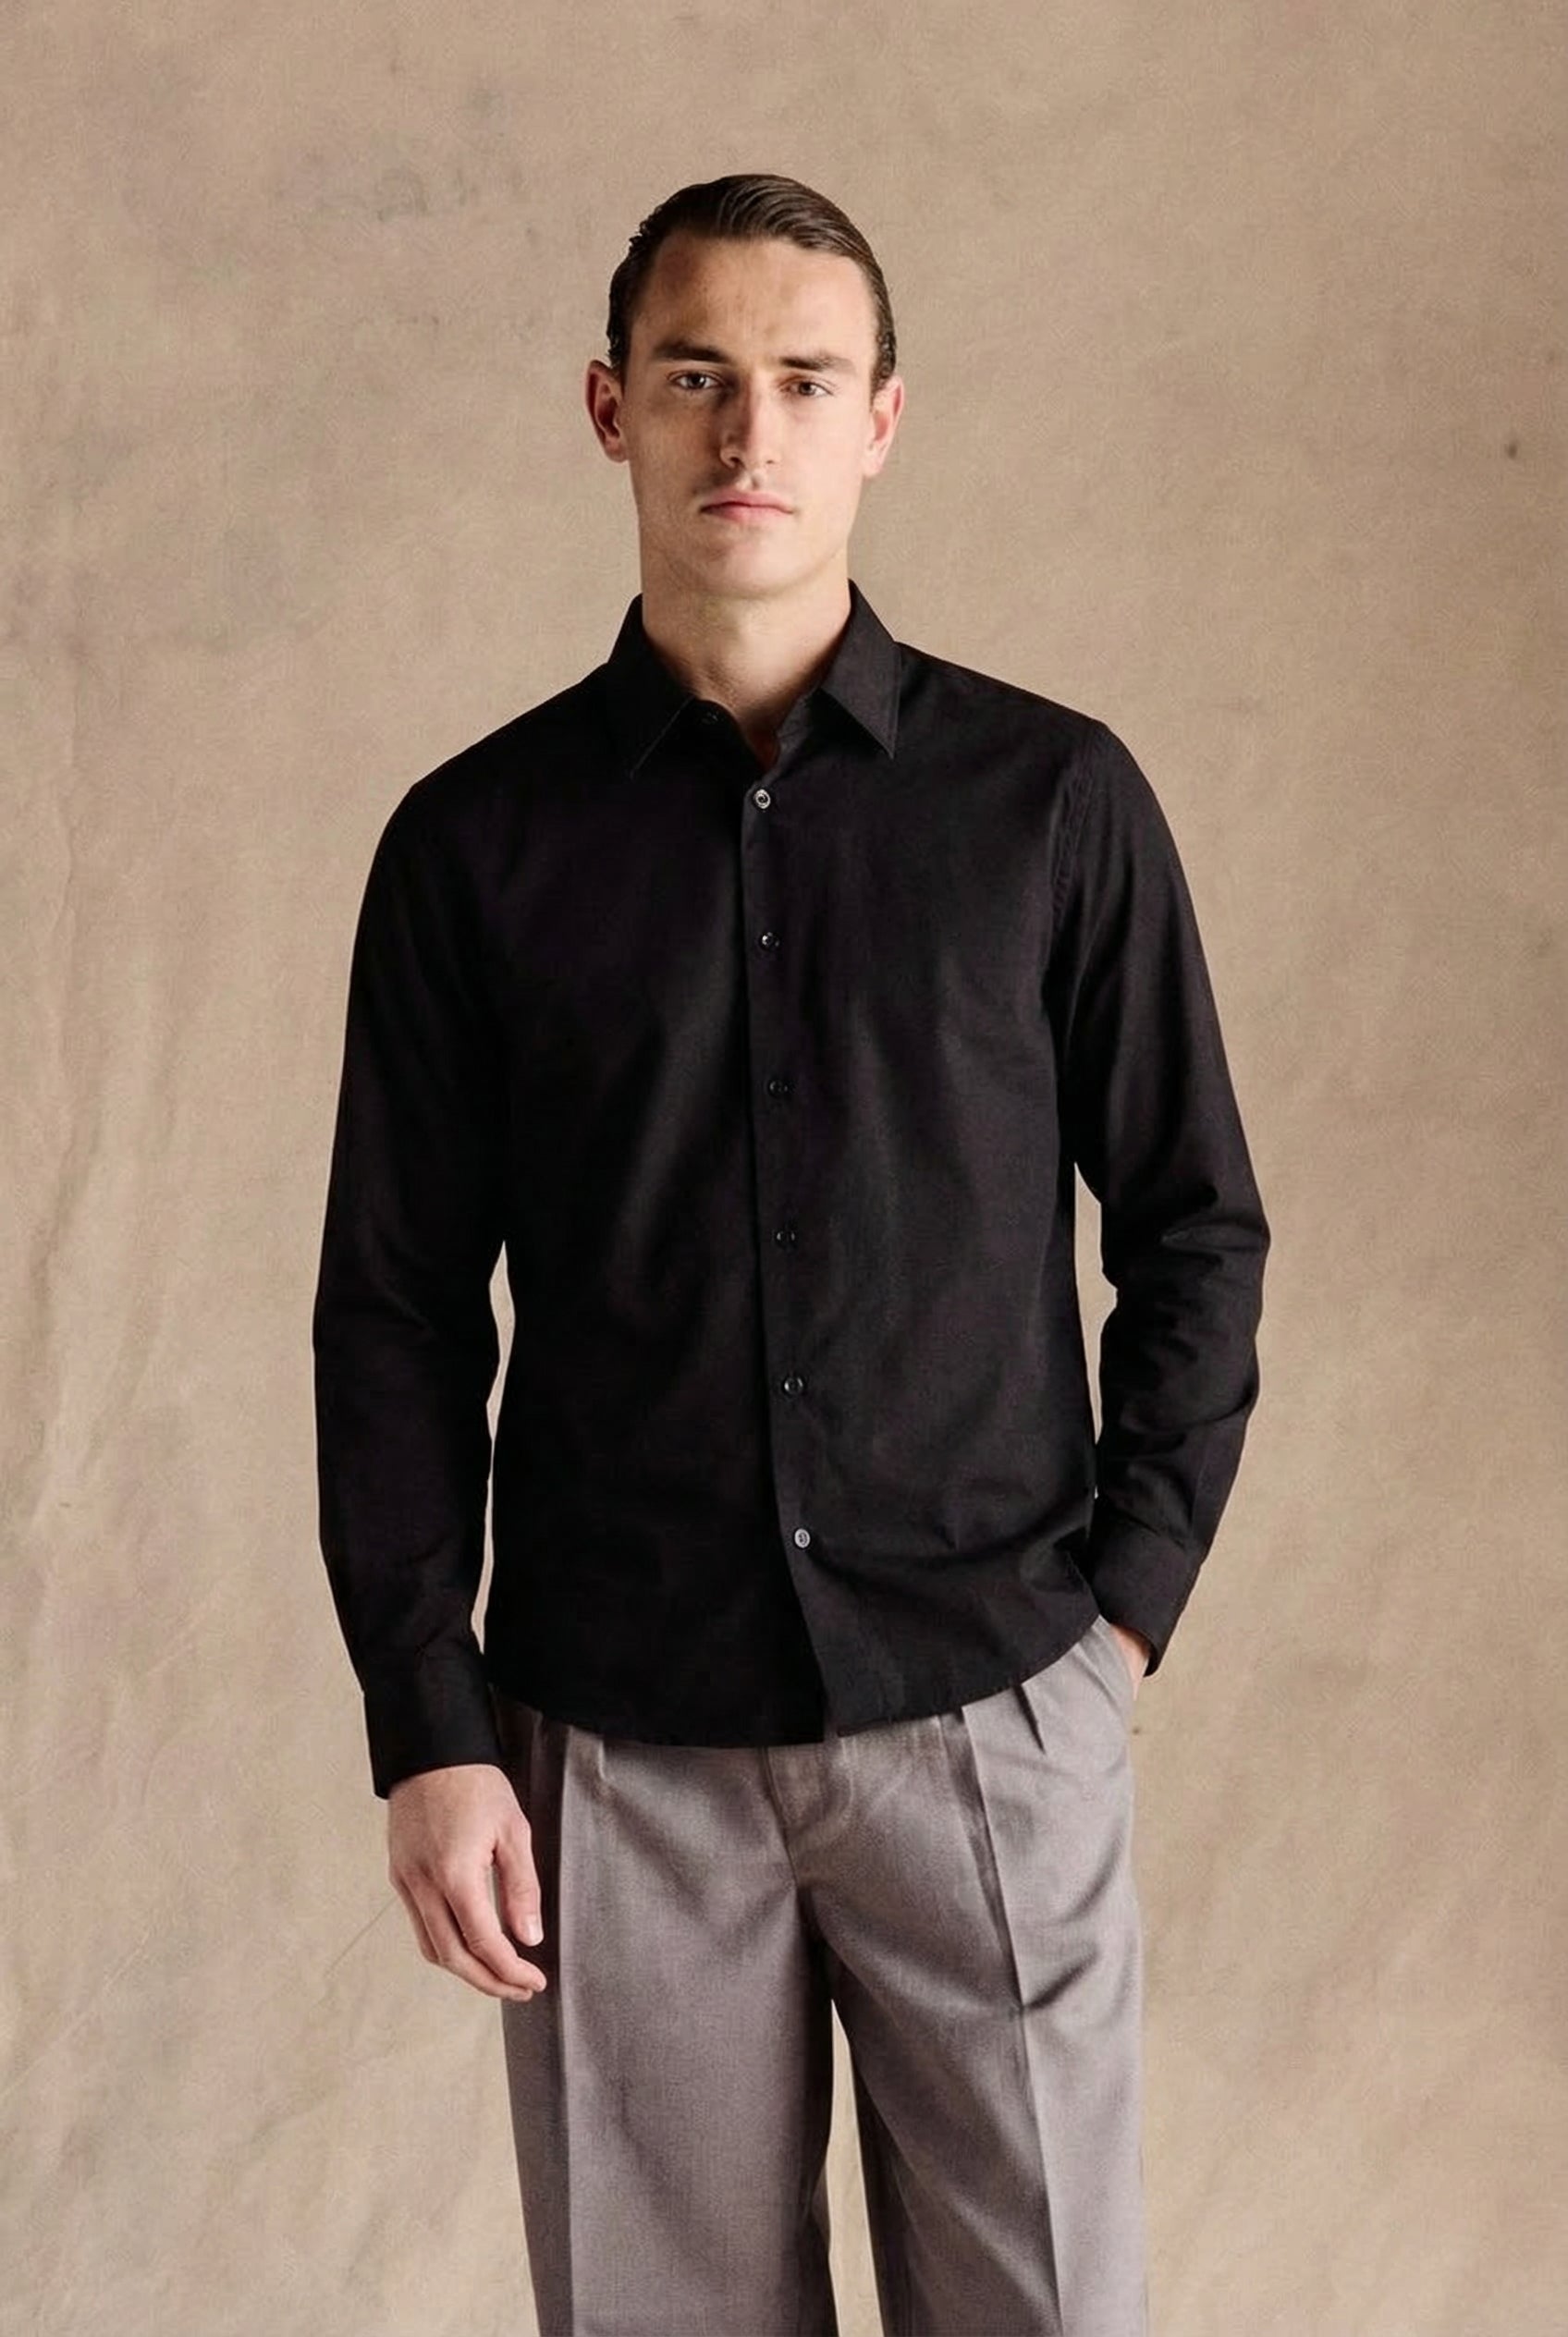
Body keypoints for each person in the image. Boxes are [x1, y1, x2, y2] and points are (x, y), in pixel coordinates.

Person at [312, 170, 1269, 2337]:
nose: (748, 431)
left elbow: (1191, 1217)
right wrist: (427, 1719)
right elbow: (393, 1310)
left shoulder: (1050, 805)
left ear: (880, 422)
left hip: (991, 1710)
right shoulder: (473, 847)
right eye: (695, 377)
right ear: (609, 410)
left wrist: (1116, 1623)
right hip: (612, 1744)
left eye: (804, 381)